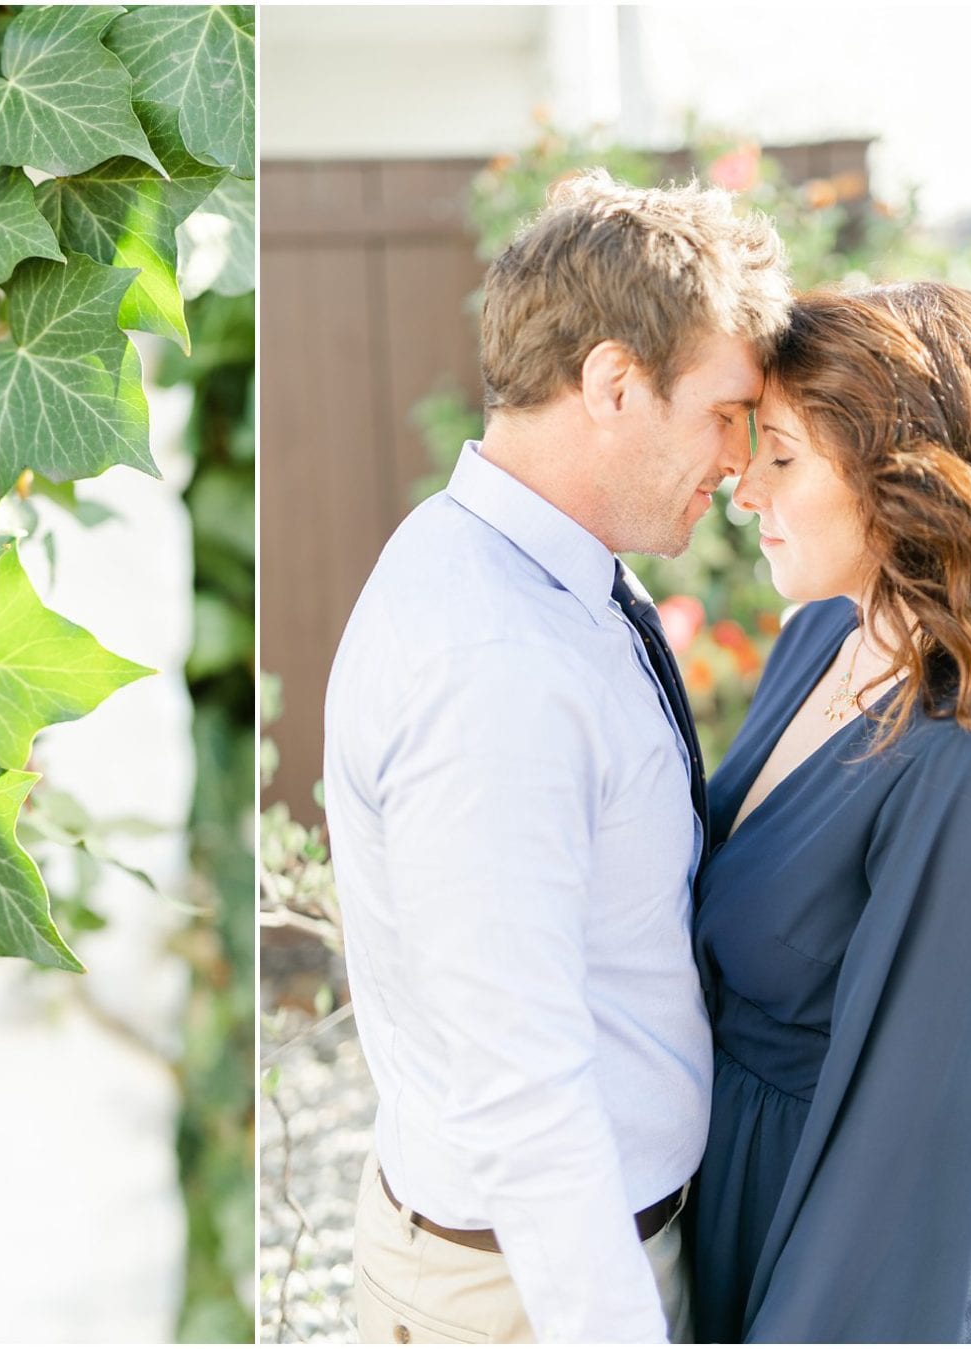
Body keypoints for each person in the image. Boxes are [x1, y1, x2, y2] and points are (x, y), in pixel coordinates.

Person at [321, 170, 791, 1343]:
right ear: (614, 383)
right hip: (531, 1294)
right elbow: (518, 1079)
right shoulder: (493, 659)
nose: (738, 462)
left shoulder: (546, 577)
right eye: (724, 411)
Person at [689, 282, 971, 1342]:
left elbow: (904, 1131)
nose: (745, 485)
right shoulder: (817, 642)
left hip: (851, 1247)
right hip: (733, 1186)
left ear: (909, 480)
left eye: (783, 456)